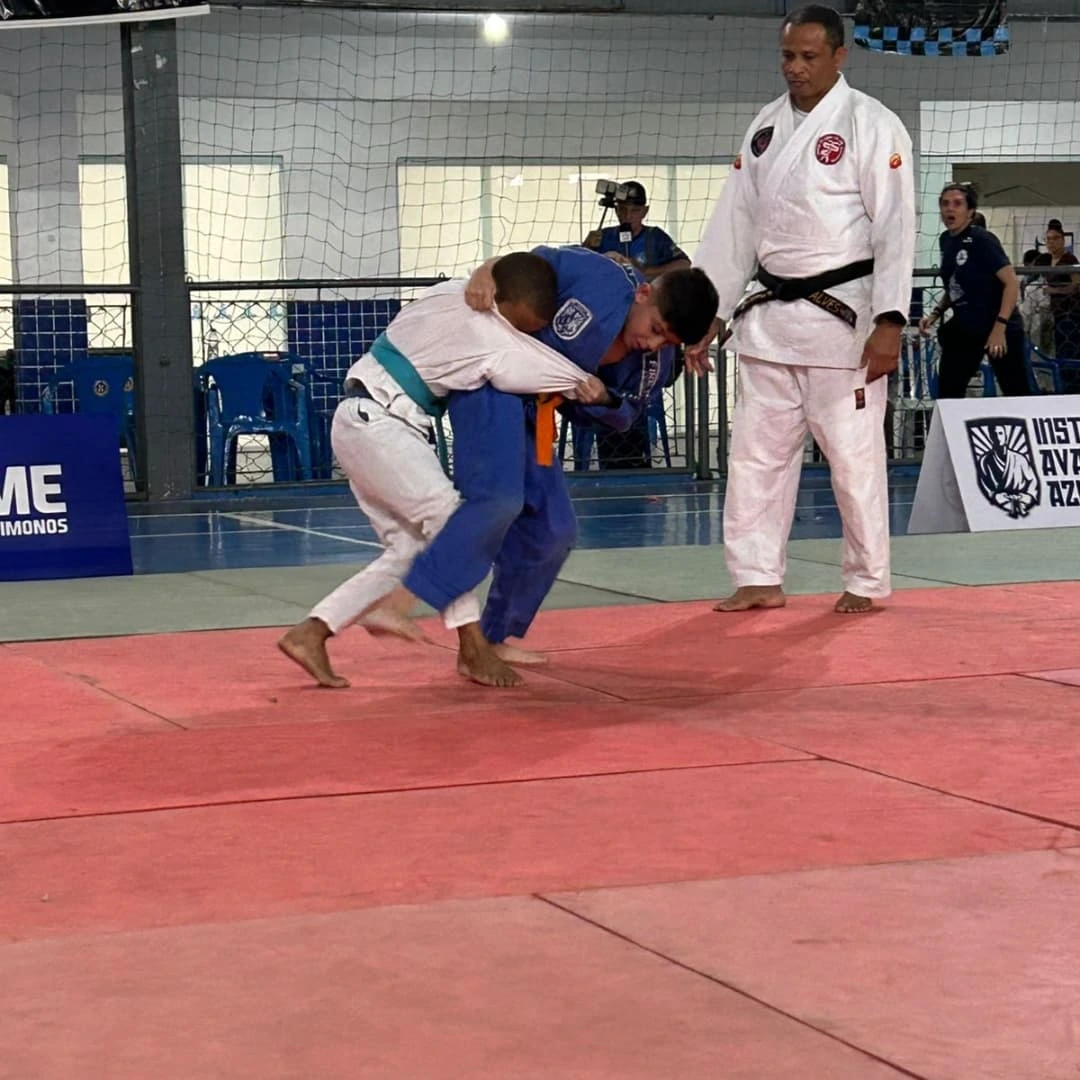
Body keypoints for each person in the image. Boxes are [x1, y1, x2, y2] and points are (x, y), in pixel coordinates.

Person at [365, 245, 719, 678]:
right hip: (491, 386)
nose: (654, 343)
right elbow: (528, 269)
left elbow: (626, 415)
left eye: (668, 342)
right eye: (656, 329)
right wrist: (487, 271)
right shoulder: (598, 276)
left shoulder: (652, 363)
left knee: (554, 531)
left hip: (539, 413)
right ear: (644, 294)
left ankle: (491, 638)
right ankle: (398, 603)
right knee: (498, 501)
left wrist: (604, 399)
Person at [277, 252, 607, 689]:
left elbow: (501, 283)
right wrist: (596, 390)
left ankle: (312, 632)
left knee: (411, 552)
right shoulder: (492, 339)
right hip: (380, 423)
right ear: (501, 303)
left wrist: (485, 268)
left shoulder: (449, 291)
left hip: (361, 419)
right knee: (453, 524)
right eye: (518, 325)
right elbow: (545, 366)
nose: (518, 334)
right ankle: (472, 647)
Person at [687, 3, 915, 616]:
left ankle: (866, 579)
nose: (795, 67)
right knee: (755, 458)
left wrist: (890, 319)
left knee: (853, 461)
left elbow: (895, 227)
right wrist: (709, 313)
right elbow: (734, 228)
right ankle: (757, 576)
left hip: (843, 323)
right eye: (788, 55)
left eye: (809, 56)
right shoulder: (765, 127)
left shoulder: (872, 123)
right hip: (768, 323)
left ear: (839, 56)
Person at [919, 183, 1030, 398]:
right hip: (967, 327)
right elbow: (955, 285)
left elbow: (1011, 283)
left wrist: (999, 329)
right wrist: (935, 314)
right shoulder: (946, 240)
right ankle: (951, 420)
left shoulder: (982, 239)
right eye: (945, 204)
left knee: (1016, 391)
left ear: (970, 211)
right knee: (949, 389)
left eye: (957, 204)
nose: (950, 209)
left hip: (998, 323)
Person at [582, 181, 691, 282]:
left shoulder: (655, 237)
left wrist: (644, 272)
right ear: (616, 211)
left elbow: (685, 264)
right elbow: (579, 267)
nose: (628, 216)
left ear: (645, 211)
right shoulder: (603, 236)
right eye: (623, 209)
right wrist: (586, 247)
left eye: (635, 211)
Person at [1035, 219, 1080, 361]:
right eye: (1048, 239)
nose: (1051, 242)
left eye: (1055, 238)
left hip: (1071, 312)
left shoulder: (1070, 260)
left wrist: (1055, 291)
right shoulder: (1047, 260)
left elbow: (1077, 285)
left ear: (1063, 240)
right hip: (1055, 312)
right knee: (1057, 350)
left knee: (1069, 351)